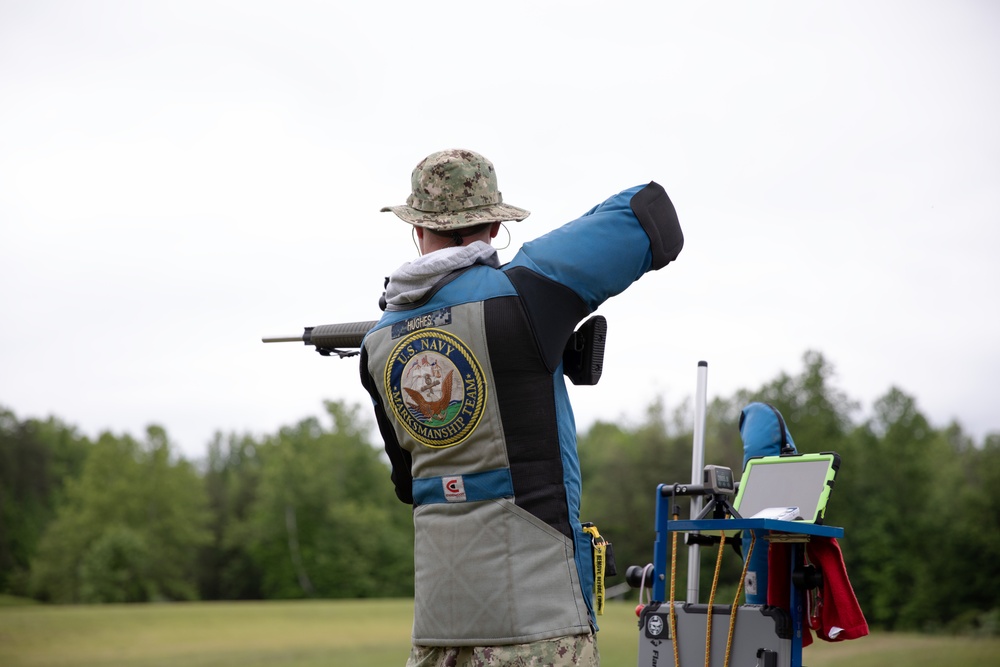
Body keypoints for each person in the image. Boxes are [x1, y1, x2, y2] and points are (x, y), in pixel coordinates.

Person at [359, 148, 684, 666]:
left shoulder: (377, 344)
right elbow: (650, 214)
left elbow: (409, 485)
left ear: (418, 232)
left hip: (437, 636)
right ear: (493, 226)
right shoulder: (525, 291)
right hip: (541, 626)